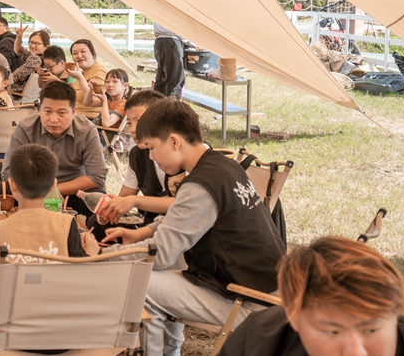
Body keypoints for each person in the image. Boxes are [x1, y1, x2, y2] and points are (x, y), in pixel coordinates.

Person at [97, 100, 284, 356]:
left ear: (174, 141)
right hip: (274, 289)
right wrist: (141, 233)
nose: (150, 157)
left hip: (254, 303)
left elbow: (160, 255)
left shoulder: (199, 186)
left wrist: (101, 257)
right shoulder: (223, 165)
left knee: (140, 281)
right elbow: (185, 216)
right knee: (159, 271)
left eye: (152, 147)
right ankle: (168, 350)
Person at [219, 236, 404, 356]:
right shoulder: (257, 340)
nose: (355, 352)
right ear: (294, 317)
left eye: (371, 329)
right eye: (332, 331)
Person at [0, 143, 99, 312]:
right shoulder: (66, 225)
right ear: (53, 186)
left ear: (12, 185)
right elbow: (82, 272)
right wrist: (91, 252)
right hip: (55, 324)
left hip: (5, 331)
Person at [2, 82, 107, 219]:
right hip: (30, 191)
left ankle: (88, 238)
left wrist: (53, 191)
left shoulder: (87, 131)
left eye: (61, 113)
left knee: (100, 203)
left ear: (73, 112)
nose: (53, 119)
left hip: (73, 191)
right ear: (39, 110)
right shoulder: (25, 129)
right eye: (47, 111)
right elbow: (8, 172)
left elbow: (97, 177)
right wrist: (37, 191)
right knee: (2, 193)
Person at [91, 90, 176, 240]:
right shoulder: (138, 154)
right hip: (149, 222)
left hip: (181, 226)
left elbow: (186, 204)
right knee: (96, 223)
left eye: (140, 120)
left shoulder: (183, 154)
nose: (133, 129)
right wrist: (110, 209)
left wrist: (134, 201)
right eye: (129, 122)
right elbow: (125, 196)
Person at [66, 39, 108, 122]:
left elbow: (92, 99)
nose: (79, 55)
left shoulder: (98, 72)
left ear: (93, 54)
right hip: (76, 117)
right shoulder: (82, 73)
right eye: (75, 53)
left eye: (83, 51)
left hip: (90, 120)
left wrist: (80, 77)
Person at [10, 27, 50, 94]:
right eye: (31, 42)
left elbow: (14, 77)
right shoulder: (43, 58)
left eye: (37, 43)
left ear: (46, 46)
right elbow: (18, 50)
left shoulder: (36, 59)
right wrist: (19, 37)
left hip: (17, 94)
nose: (33, 46)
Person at [153, 23, 185, 99]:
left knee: (162, 80)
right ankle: (171, 108)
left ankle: (157, 106)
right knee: (174, 82)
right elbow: (178, 28)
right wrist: (190, 41)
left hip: (160, 41)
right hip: (171, 41)